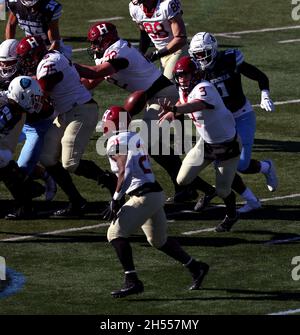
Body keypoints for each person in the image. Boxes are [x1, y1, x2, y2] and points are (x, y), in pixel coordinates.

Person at [77, 21, 211, 203]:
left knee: (149, 141)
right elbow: (92, 80)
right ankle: (187, 187)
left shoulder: (119, 50)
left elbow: (96, 72)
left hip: (163, 95)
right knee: (154, 144)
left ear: (107, 40)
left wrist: (70, 66)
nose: (93, 46)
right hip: (151, 97)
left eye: (96, 42)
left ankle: (192, 187)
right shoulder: (104, 54)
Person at [101, 105, 209, 298]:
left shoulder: (115, 141)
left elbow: (125, 171)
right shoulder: (134, 137)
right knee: (158, 240)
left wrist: (115, 199)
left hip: (143, 195)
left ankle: (132, 281)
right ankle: (196, 267)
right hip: (155, 193)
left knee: (115, 233)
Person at [16, 35, 117, 217]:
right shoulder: (51, 57)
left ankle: (110, 181)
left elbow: (41, 99)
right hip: (66, 113)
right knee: (46, 157)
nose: (25, 62)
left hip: (81, 110)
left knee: (70, 162)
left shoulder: (48, 67)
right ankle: (77, 201)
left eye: (27, 58)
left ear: (37, 54)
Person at [189, 32, 278, 213]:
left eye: (203, 53)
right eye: (196, 54)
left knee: (241, 165)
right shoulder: (195, 71)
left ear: (213, 50)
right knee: (221, 165)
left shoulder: (230, 60)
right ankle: (252, 201)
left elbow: (259, 76)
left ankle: (266, 167)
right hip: (218, 123)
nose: (200, 58)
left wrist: (265, 93)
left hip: (241, 115)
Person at [159, 56, 241, 232]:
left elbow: (194, 105)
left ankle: (232, 214)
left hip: (227, 146)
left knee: (224, 191)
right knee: (182, 179)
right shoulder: (185, 89)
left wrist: (175, 110)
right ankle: (208, 191)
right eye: (179, 76)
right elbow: (184, 101)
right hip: (206, 144)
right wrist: (174, 111)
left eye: (185, 75)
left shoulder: (205, 88)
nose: (182, 79)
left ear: (195, 74)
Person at [0, 38, 57, 201]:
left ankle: (46, 179)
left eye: (8, 62)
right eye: (2, 63)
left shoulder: (31, 78)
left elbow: (45, 109)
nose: (4, 67)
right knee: (5, 162)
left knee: (21, 169)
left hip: (34, 124)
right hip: (11, 122)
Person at [0, 75, 45, 220]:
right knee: (4, 162)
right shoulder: (10, 110)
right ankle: (26, 188)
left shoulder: (12, 108)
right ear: (21, 96)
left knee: (4, 162)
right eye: (33, 97)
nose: (36, 101)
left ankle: (25, 190)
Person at [129, 0, 188, 80]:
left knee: (169, 83)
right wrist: (140, 54)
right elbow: (144, 34)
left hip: (177, 50)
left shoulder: (167, 3)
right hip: (161, 53)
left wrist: (156, 54)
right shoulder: (134, 8)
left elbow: (181, 39)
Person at [5, 0, 71, 57]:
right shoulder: (15, 3)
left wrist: (47, 57)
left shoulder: (48, 8)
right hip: (31, 46)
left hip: (50, 48)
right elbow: (11, 25)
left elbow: (54, 41)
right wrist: (9, 48)